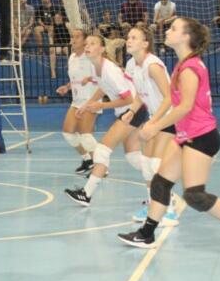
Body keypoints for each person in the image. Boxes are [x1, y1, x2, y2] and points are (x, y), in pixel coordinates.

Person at [118, 18, 220, 254]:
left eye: (173, 28)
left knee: (194, 196)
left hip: (202, 138)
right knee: (161, 183)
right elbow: (175, 102)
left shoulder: (191, 67)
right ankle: (146, 233)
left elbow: (184, 107)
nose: (168, 31)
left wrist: (155, 126)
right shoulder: (183, 65)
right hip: (185, 136)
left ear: (186, 37)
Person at [64, 35, 146, 206]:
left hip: (133, 111)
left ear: (102, 49)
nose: (87, 46)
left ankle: (86, 194)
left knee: (101, 150)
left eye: (92, 44)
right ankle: (162, 186)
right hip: (128, 112)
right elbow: (103, 87)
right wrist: (87, 104)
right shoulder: (96, 67)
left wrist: (101, 106)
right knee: (133, 157)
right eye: (86, 44)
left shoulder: (109, 70)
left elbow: (129, 99)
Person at [122, 26, 178, 225]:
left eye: (134, 37)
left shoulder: (153, 65)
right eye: (128, 37)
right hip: (156, 117)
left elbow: (170, 97)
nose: (129, 40)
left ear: (145, 43)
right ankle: (154, 204)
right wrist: (130, 111)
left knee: (156, 165)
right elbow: (140, 95)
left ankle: (169, 209)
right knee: (146, 165)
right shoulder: (131, 65)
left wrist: (154, 122)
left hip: (170, 117)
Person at [55, 29, 100, 175]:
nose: (73, 39)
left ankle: (101, 166)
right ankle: (87, 160)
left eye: (77, 37)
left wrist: (91, 79)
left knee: (85, 134)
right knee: (68, 133)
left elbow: (102, 76)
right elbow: (75, 78)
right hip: (76, 100)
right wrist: (67, 87)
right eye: (72, 37)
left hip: (90, 100)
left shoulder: (91, 57)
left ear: (85, 41)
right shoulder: (72, 57)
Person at [49, 11, 71, 79]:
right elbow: (50, 37)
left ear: (61, 18)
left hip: (66, 44)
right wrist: (51, 46)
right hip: (58, 44)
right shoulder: (52, 27)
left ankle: (70, 71)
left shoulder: (67, 24)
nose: (56, 19)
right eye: (55, 18)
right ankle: (53, 72)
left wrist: (70, 43)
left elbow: (72, 36)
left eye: (58, 18)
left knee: (68, 51)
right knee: (52, 52)